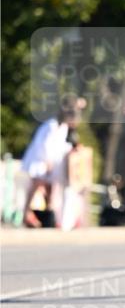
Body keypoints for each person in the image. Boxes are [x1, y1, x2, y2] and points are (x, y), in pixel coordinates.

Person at [21, 94, 83, 227]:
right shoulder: (52, 125)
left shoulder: (63, 127)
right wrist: (47, 161)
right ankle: (26, 212)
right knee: (37, 184)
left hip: (50, 162)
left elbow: (59, 146)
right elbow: (44, 145)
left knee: (49, 187)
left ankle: (48, 215)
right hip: (40, 160)